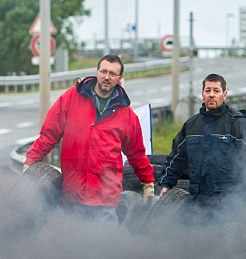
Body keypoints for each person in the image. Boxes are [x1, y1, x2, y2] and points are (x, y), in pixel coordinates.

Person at [24, 54, 154, 223]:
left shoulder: (127, 115)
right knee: (71, 246)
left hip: (105, 200)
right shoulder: (71, 98)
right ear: (96, 72)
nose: (107, 77)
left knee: (103, 247)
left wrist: (148, 182)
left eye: (113, 74)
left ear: (120, 78)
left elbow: (136, 154)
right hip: (73, 194)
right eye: (104, 71)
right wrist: (30, 161)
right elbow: (49, 134)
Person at [159, 73, 246, 231]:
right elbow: (176, 158)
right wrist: (166, 183)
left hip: (230, 203)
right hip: (199, 202)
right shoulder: (192, 125)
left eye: (216, 91)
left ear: (224, 95)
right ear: (202, 94)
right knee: (198, 245)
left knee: (227, 249)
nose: (212, 95)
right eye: (208, 90)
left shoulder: (237, 123)